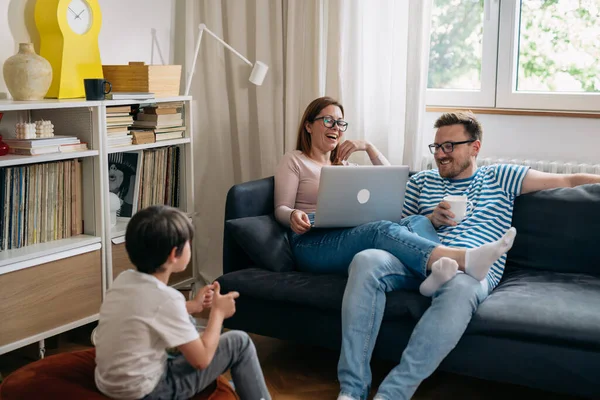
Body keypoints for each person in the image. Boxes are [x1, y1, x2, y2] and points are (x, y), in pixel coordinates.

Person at [336, 111, 600, 400]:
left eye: (449, 146)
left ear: (475, 147)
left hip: (473, 270)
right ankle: (351, 389)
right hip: (419, 259)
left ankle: (392, 394)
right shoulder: (422, 181)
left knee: (461, 285)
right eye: (436, 147)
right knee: (367, 259)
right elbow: (392, 224)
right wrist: (430, 218)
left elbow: (568, 179)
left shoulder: (501, 176)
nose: (440, 154)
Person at [275, 97, 516, 296]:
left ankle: (441, 272)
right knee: (379, 230)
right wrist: (294, 214)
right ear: (308, 125)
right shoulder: (295, 160)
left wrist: (369, 148)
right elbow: (281, 208)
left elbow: (396, 184)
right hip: (311, 242)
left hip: (344, 236)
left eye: (340, 122)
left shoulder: (345, 168)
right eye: (328, 120)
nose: (336, 127)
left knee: (418, 221)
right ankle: (463, 261)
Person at [94, 205, 271, 400]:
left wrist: (193, 306)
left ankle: (235, 385)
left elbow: (148, 312)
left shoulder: (124, 280)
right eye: (188, 243)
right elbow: (201, 361)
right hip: (148, 392)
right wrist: (218, 313)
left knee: (192, 326)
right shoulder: (167, 299)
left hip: (109, 384)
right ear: (173, 254)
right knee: (240, 342)